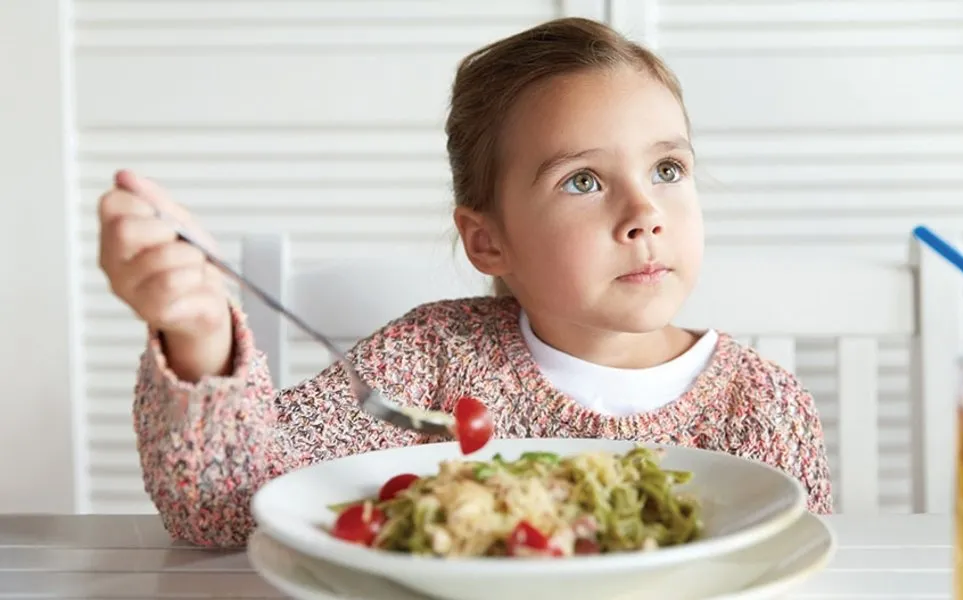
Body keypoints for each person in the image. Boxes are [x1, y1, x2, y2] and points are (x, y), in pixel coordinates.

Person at [96, 17, 833, 548]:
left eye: (667, 170)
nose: (645, 213)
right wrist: (199, 334)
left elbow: (806, 571)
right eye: (583, 180)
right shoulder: (430, 363)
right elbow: (222, 512)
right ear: (488, 240)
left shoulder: (762, 406)